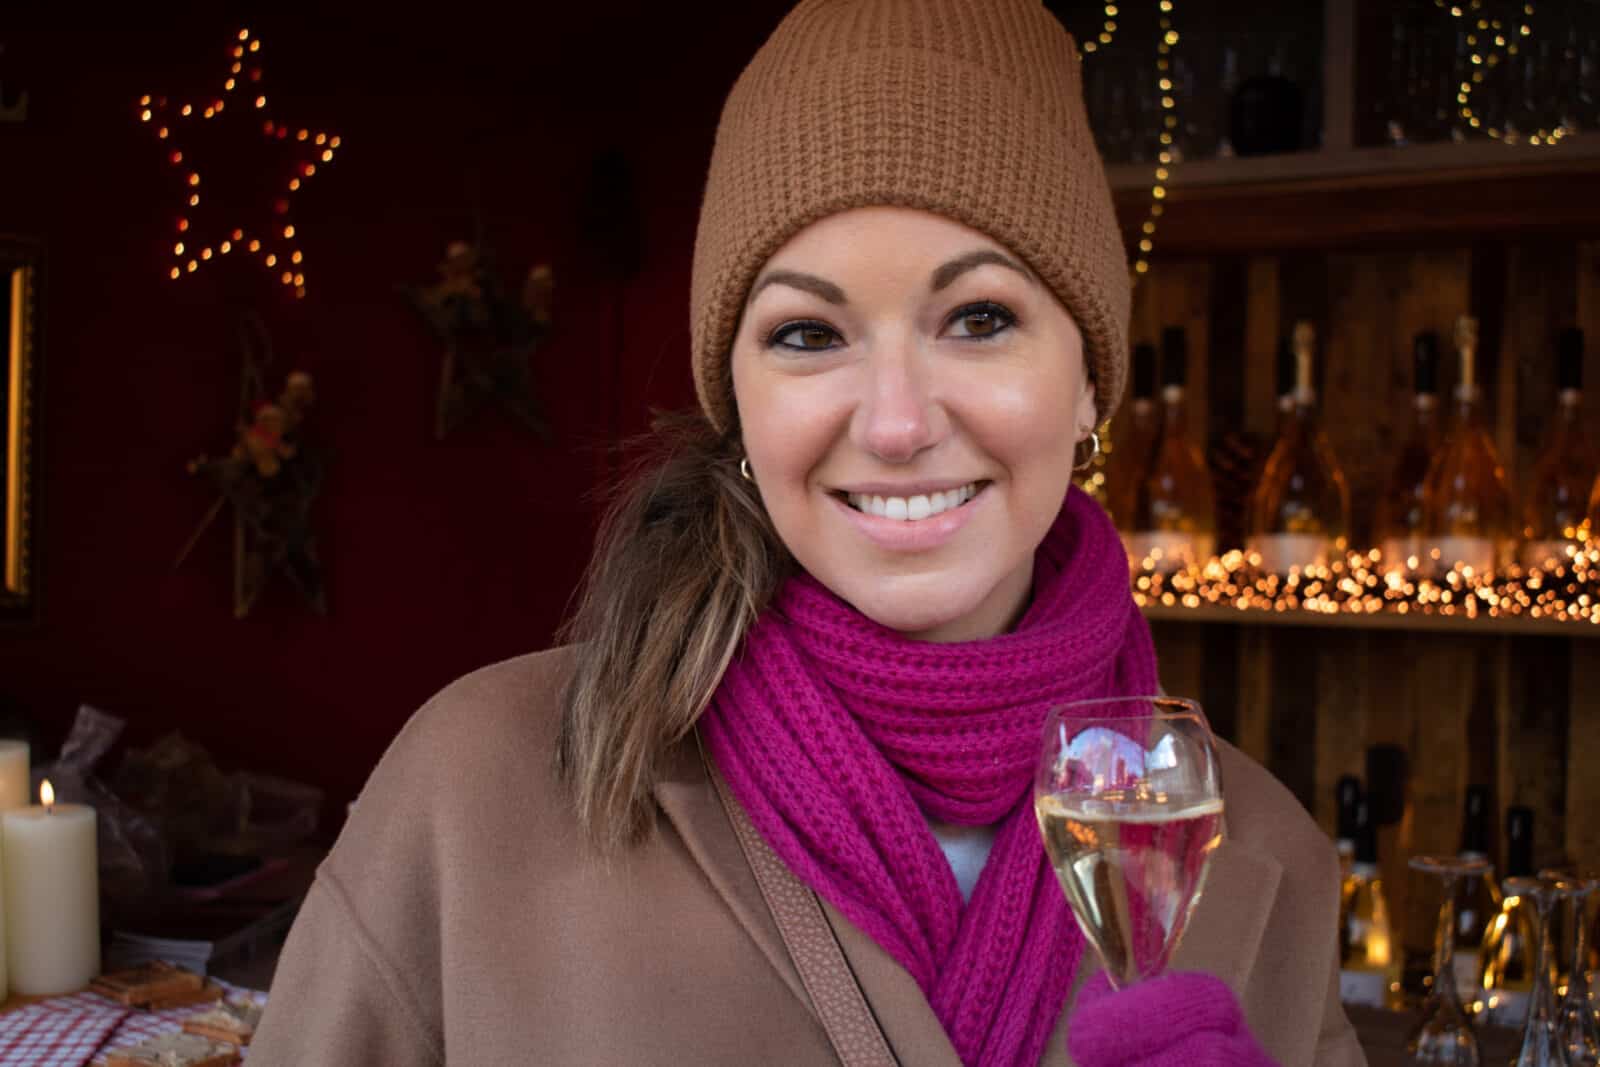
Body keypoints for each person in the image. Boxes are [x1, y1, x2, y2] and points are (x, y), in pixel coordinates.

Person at [250, 1, 1364, 1064]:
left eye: (979, 318)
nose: (893, 423)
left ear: (1089, 385)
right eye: (806, 331)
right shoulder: (473, 790)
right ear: (735, 407)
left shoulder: (1265, 859)